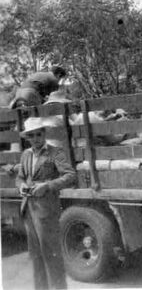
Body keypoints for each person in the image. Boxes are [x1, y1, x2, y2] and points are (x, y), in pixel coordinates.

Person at [16, 117, 77, 290]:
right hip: (29, 210)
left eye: (38, 134)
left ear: (44, 134)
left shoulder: (55, 152)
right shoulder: (26, 155)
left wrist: (48, 186)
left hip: (47, 211)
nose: (35, 138)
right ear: (27, 137)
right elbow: (21, 177)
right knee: (36, 257)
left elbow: (70, 176)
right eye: (31, 135)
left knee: (52, 256)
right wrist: (21, 187)